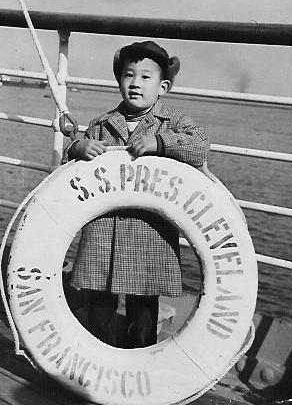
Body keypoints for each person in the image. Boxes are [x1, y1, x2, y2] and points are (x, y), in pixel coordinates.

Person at [64, 40, 210, 348]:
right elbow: (70, 171)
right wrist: (77, 147)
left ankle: (140, 359)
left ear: (163, 86)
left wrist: (161, 142)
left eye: (145, 77)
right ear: (119, 80)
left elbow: (200, 146)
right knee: (99, 306)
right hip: (104, 233)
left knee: (143, 312)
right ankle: (98, 360)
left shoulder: (174, 122)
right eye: (128, 75)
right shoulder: (101, 125)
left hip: (150, 234)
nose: (135, 83)